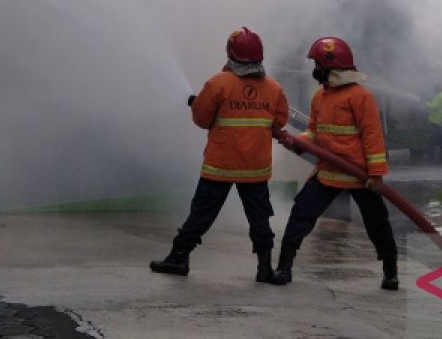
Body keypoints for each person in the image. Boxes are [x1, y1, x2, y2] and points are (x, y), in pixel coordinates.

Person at [150, 27, 289, 282]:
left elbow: (202, 119)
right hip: (255, 169)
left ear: (230, 54)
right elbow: (278, 122)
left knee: (201, 214)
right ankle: (265, 269)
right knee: (259, 218)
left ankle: (179, 258)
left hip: (220, 166)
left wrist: (199, 104)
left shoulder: (218, 83)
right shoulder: (274, 88)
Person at [269, 36, 398, 291]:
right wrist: (298, 142)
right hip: (327, 171)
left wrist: (376, 174)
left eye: (317, 65)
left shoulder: (361, 97)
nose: (314, 70)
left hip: (359, 175)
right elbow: (315, 131)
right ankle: (284, 267)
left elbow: (372, 137)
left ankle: (390, 271)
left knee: (378, 223)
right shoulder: (320, 97)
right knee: (300, 215)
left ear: (331, 66)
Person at [425, 88, 442, 161]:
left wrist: (425, 103)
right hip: (437, 121)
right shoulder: (440, 95)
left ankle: (431, 155)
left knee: (434, 138)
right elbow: (433, 103)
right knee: (440, 138)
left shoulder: (440, 96)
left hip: (436, 121)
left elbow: (433, 106)